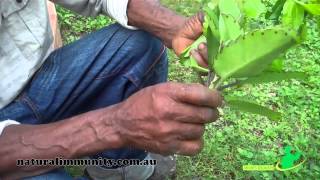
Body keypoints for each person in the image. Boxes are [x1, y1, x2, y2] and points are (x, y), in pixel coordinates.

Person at [0, 0, 222, 179]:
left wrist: (173, 27)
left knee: (141, 45)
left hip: (35, 83)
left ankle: (116, 170)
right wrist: (116, 124)